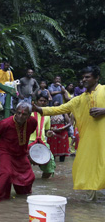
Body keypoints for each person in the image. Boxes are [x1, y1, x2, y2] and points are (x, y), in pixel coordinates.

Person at [33, 66, 105, 200]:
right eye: (83, 77)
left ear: (97, 78)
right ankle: (91, 204)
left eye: (87, 77)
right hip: (88, 142)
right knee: (86, 167)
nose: (84, 79)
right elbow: (58, 109)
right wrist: (39, 109)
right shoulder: (78, 99)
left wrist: (104, 110)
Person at [0, 101, 37, 202]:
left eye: (24, 114)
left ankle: (23, 197)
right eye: (18, 113)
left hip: (21, 152)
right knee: (6, 174)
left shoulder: (32, 122)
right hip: (5, 151)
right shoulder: (5, 123)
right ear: (15, 112)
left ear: (29, 115)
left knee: (29, 177)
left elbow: (31, 131)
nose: (20, 116)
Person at [29, 92, 56, 178]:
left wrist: (49, 134)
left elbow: (46, 131)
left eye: (45, 101)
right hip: (29, 141)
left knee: (50, 164)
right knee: (23, 164)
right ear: (36, 102)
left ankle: (43, 183)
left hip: (42, 142)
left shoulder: (47, 115)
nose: (43, 103)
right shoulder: (29, 112)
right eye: (41, 101)